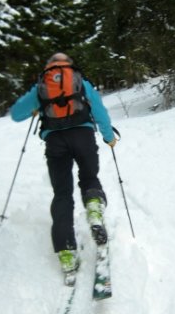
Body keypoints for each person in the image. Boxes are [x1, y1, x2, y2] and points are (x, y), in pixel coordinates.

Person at [10, 52, 116, 276]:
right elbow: (99, 110)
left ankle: (66, 252)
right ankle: (94, 209)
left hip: (55, 140)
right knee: (89, 178)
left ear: (50, 66)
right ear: (68, 64)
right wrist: (108, 137)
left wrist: (36, 107)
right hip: (83, 135)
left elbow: (16, 114)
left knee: (62, 193)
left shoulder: (42, 85)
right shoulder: (79, 80)